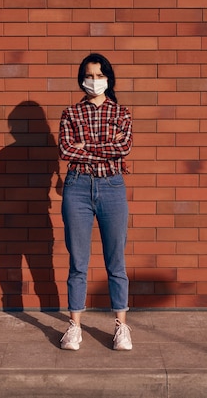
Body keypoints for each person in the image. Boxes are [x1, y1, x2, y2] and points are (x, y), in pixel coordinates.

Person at [58, 53, 133, 351]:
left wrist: (85, 145)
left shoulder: (122, 112)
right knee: (78, 262)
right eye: (90, 75)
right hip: (76, 188)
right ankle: (74, 326)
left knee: (116, 262)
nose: (95, 81)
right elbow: (65, 150)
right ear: (82, 79)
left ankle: (121, 326)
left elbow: (124, 145)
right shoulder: (70, 113)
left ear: (108, 79)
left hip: (112, 187)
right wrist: (106, 148)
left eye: (100, 75)